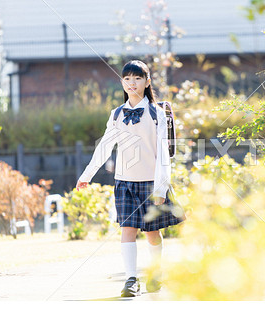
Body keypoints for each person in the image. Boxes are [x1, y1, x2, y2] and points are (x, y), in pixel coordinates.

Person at [76, 60, 183, 297]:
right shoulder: (116, 114)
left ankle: (155, 273)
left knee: (153, 233)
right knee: (128, 230)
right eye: (127, 79)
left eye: (137, 78)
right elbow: (104, 146)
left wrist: (161, 188)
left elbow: (163, 153)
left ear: (147, 82)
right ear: (122, 82)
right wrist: (87, 175)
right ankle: (130, 280)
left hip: (151, 183)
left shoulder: (157, 113)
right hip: (124, 182)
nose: (132, 83)